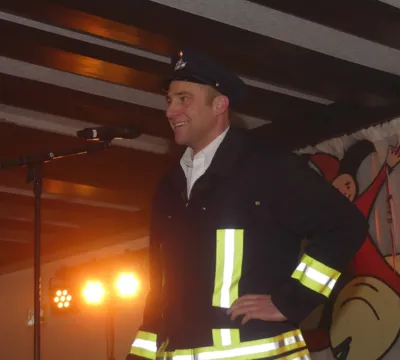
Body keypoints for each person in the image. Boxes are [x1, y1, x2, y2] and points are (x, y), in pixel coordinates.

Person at [126, 48, 369, 360]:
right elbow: (160, 285)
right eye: (169, 100)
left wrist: (290, 301)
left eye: (184, 99)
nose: (171, 111)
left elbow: (345, 225)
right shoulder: (168, 186)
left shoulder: (267, 166)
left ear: (220, 105)